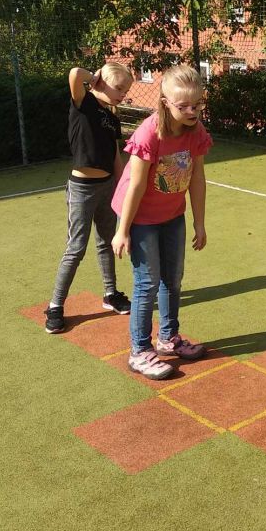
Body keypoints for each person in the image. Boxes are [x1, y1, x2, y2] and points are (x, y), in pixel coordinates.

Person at [111, 64, 211, 379]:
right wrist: (122, 230)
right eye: (184, 106)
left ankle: (168, 338)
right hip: (139, 216)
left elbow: (197, 179)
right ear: (166, 103)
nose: (192, 111)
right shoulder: (149, 134)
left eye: (197, 104)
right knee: (147, 282)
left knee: (173, 278)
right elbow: (136, 185)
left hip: (172, 214)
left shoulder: (196, 131)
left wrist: (199, 223)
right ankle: (139, 351)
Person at [45, 62, 134, 333]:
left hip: (107, 186)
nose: (123, 94)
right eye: (119, 88)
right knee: (76, 248)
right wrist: (95, 79)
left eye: (126, 90)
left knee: (106, 242)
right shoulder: (83, 103)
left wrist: (122, 188)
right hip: (82, 189)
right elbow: (75, 74)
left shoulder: (112, 118)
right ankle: (55, 306)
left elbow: (115, 155)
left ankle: (110, 294)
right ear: (101, 83)